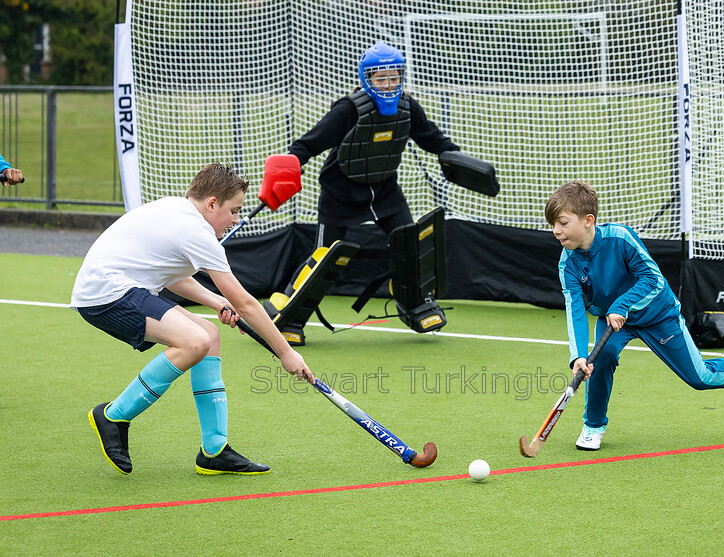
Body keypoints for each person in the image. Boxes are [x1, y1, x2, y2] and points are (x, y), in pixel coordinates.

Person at [72, 162, 314, 475]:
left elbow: (170, 273)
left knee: (208, 335)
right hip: (107, 294)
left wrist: (217, 302)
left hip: (118, 287)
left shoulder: (176, 210)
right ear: (212, 203)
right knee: (194, 341)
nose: (236, 219)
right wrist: (286, 353)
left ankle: (214, 450)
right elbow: (248, 302)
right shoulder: (197, 233)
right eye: (234, 210)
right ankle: (113, 415)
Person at [545, 180, 724, 451]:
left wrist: (622, 304)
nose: (556, 231)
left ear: (588, 220)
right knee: (602, 356)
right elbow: (574, 308)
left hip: (658, 314)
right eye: (553, 224)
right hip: (614, 322)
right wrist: (578, 356)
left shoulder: (620, 238)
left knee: (701, 378)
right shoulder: (567, 263)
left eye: (563, 222)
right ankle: (593, 425)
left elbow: (653, 279)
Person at [264, 42, 460, 341]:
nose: (387, 84)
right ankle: (288, 318)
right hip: (340, 193)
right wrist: (292, 164)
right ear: (365, 79)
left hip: (385, 192)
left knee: (411, 246)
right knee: (324, 259)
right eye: (379, 78)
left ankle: (415, 303)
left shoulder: (408, 107)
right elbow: (309, 143)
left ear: (401, 76)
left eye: (393, 76)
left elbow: (432, 138)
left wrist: (453, 156)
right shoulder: (348, 109)